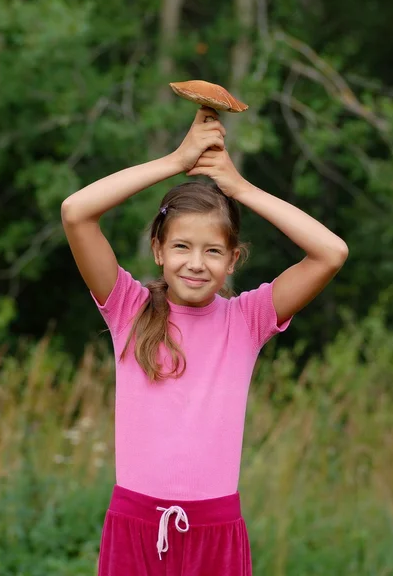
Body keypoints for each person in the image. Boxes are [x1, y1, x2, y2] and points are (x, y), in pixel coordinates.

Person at [61, 107, 348, 576]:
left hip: (216, 531)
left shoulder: (248, 320)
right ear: (158, 249)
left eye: (213, 250)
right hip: (134, 525)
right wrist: (177, 160)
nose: (196, 263)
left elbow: (331, 252)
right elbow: (76, 212)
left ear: (233, 260)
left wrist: (240, 188)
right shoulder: (127, 309)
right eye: (181, 246)